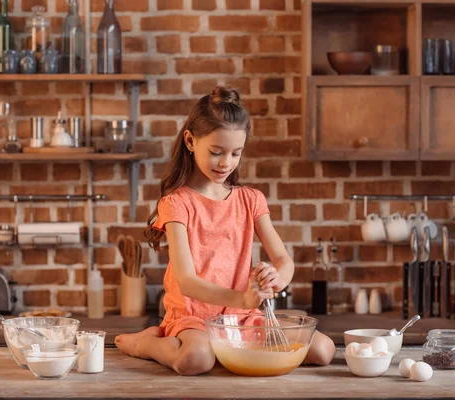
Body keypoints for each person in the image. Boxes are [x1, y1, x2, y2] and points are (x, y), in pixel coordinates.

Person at [115, 86, 336, 375]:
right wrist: (241, 297)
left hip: (242, 316)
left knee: (323, 350)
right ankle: (146, 344)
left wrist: (276, 278)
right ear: (190, 141)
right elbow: (187, 282)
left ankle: (222, 346)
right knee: (196, 359)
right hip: (194, 316)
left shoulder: (251, 199)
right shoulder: (177, 204)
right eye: (217, 152)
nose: (226, 163)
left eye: (236, 153)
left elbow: (284, 260)